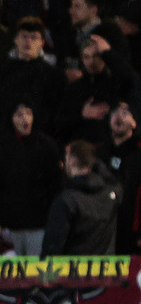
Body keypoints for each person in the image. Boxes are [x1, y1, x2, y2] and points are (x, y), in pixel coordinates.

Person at [0, 104, 63, 256]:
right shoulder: (1, 148)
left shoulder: (47, 146)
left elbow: (56, 187)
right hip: (9, 228)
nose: (25, 119)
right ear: (11, 118)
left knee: (36, 270)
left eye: (28, 113)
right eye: (19, 115)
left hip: (39, 227)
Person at [42, 140, 119, 256]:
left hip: (72, 266)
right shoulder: (110, 197)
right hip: (101, 266)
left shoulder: (66, 201)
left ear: (72, 160)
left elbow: (52, 246)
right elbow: (116, 184)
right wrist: (94, 162)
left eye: (66, 158)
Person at [98, 102, 141, 253]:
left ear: (134, 123)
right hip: (103, 227)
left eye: (125, 113)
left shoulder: (137, 153)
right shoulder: (101, 153)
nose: (118, 117)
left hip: (130, 229)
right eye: (115, 112)